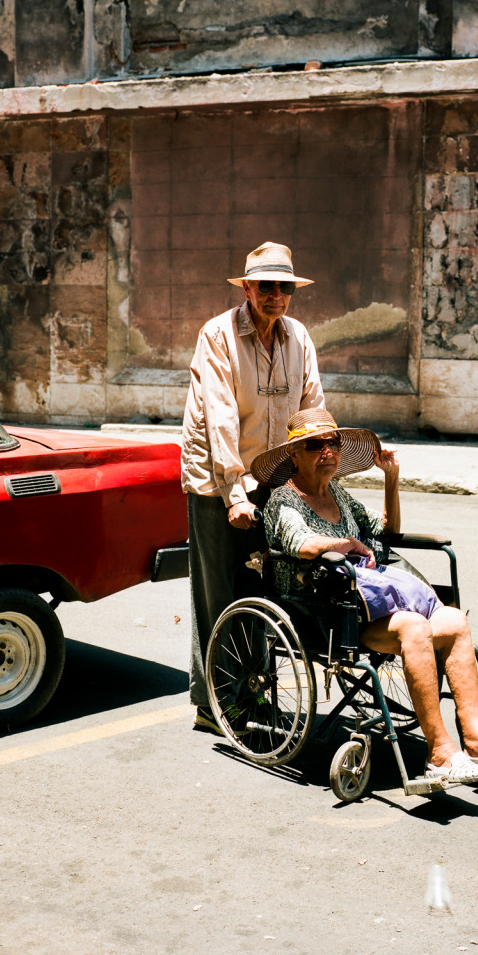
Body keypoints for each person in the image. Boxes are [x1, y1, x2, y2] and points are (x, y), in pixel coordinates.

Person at [253, 408, 478, 785]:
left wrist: (391, 478)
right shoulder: (283, 500)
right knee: (414, 627)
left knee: (455, 621)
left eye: (333, 442)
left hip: (365, 599)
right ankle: (441, 753)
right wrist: (346, 543)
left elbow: (388, 528)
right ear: (294, 454)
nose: (326, 450)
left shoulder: (339, 493)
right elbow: (303, 544)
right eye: (314, 445)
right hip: (324, 612)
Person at [181, 242, 325, 735]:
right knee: (218, 590)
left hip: (272, 478)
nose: (276, 296)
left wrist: (318, 478)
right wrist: (234, 493)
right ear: (247, 288)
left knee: (267, 589)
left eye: (285, 287)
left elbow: (311, 410)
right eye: (267, 286)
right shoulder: (218, 334)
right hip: (216, 482)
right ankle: (214, 703)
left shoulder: (298, 337)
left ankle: (255, 696)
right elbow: (217, 416)